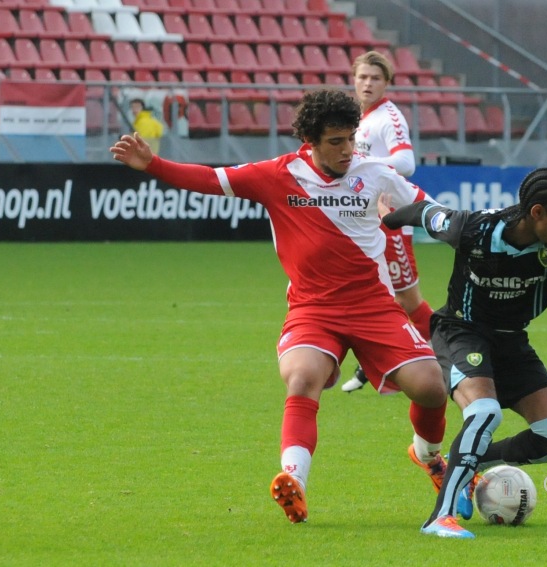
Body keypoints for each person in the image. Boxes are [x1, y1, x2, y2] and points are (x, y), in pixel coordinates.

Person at [109, 89, 449, 525]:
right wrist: (153, 164)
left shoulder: (376, 174)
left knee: (431, 387)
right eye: (335, 142)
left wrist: (468, 227)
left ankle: (429, 456)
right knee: (303, 377)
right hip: (313, 309)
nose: (347, 150)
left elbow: (430, 211)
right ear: (309, 140)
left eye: (350, 139)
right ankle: (294, 481)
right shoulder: (277, 174)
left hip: (374, 307)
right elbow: (212, 180)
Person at [382, 167, 547, 538]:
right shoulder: (474, 229)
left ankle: (469, 461)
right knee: (485, 412)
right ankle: (439, 517)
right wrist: (388, 219)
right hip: (461, 330)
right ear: (537, 213)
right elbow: (424, 212)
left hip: (511, 341)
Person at [340, 50, 437, 393]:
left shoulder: (388, 118)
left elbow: (407, 163)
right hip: (366, 221)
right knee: (376, 296)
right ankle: (381, 369)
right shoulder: (358, 117)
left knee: (408, 300)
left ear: (387, 83)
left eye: (375, 78)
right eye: (363, 77)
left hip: (392, 220)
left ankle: (447, 355)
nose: (368, 83)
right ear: (354, 79)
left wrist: (368, 167)